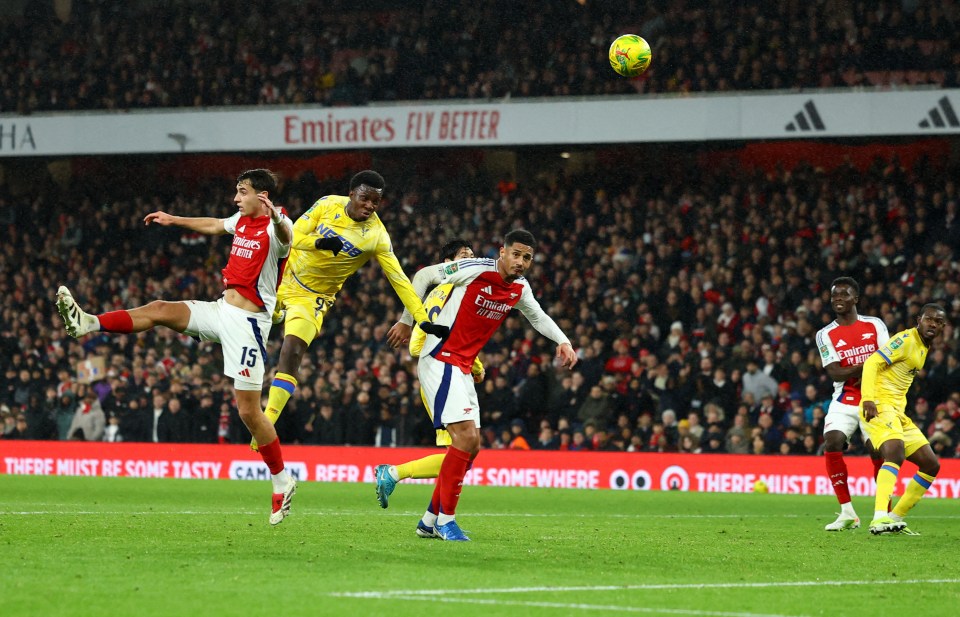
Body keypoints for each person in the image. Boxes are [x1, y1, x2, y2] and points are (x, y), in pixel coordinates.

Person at [56, 169, 299, 525]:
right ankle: (88, 323)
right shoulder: (242, 221)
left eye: (242, 192)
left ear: (262, 196)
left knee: (248, 412)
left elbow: (286, 234)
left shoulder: (276, 228)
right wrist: (173, 220)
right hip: (221, 311)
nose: (236, 198)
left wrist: (275, 214)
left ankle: (282, 479)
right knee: (158, 309)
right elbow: (215, 225)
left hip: (248, 325)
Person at [386, 229, 578, 541]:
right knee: (464, 440)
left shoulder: (519, 289)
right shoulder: (474, 268)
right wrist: (408, 320)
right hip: (440, 357)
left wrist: (564, 341)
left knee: (471, 447)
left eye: (526, 257)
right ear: (502, 253)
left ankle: (429, 520)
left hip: (461, 365)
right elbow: (422, 276)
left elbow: (538, 317)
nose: (520, 262)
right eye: (515, 254)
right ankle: (446, 521)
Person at [253, 170, 444, 451]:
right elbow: (291, 235)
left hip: (313, 297)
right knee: (241, 313)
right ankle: (272, 312)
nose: (369, 206)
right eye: (365, 198)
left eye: (375, 202)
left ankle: (266, 424)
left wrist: (422, 320)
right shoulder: (327, 203)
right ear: (351, 193)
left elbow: (400, 280)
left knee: (292, 350)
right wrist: (319, 243)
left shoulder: (376, 236)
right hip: (282, 274)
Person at [373, 239, 484, 509]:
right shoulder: (451, 292)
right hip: (443, 371)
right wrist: (467, 366)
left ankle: (431, 519)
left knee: (464, 455)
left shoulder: (444, 293)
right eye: (463, 256)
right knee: (461, 453)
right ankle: (395, 474)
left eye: (472, 255)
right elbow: (417, 345)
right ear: (447, 265)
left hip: (450, 369)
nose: (471, 260)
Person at [861, 303, 947, 535]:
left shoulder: (923, 346)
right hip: (879, 405)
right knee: (895, 452)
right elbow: (872, 363)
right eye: (929, 319)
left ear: (943, 327)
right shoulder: (906, 340)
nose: (933, 324)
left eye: (938, 322)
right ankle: (879, 518)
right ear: (918, 319)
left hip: (898, 411)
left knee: (931, 464)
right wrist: (868, 398)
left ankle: (895, 518)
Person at [814, 277, 889, 531]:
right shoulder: (825, 334)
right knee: (831, 441)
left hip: (875, 399)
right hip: (844, 399)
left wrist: (858, 370)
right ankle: (847, 512)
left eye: (844, 295)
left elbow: (887, 362)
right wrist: (867, 365)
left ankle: (884, 514)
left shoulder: (874, 325)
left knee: (878, 452)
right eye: (834, 296)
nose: (838, 300)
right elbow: (835, 372)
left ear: (855, 298)